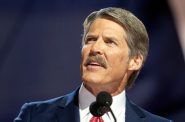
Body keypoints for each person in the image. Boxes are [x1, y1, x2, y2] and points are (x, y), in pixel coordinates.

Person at [14, 7, 173, 122]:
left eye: (110, 42)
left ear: (135, 61)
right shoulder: (34, 116)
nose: (95, 48)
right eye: (90, 40)